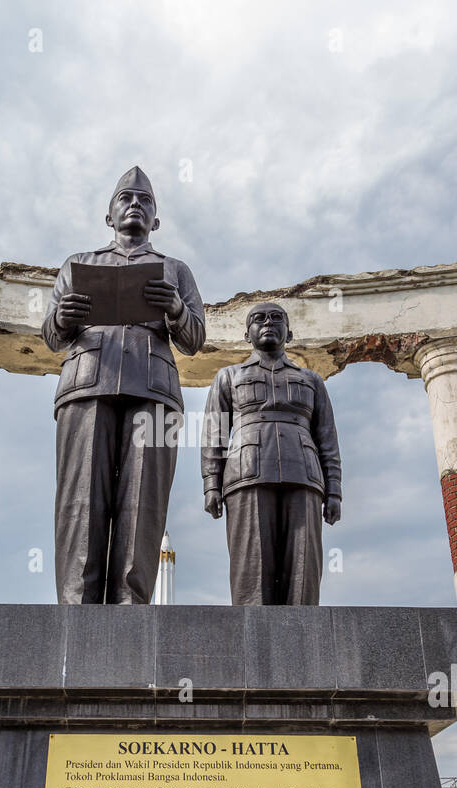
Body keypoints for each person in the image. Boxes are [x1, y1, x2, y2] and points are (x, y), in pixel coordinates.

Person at [42, 166, 206, 603]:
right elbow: (52, 337)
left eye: (145, 200)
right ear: (109, 216)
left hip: (154, 390)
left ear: (155, 221)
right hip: (86, 385)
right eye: (126, 198)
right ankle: (76, 608)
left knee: (143, 505)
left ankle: (131, 609)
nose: (135, 204)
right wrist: (64, 316)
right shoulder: (79, 266)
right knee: (81, 501)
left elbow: (194, 341)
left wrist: (174, 308)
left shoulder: (175, 269)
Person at [201, 302, 342, 604]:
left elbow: (327, 438)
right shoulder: (228, 377)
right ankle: (253, 644)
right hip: (246, 475)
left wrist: (335, 492)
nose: (268, 322)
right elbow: (214, 435)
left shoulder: (312, 380)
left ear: (289, 334)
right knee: (251, 569)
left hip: (303, 475)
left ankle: (304, 641)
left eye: (276, 318)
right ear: (246, 334)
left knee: (303, 571)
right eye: (258, 318)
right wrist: (211, 485)